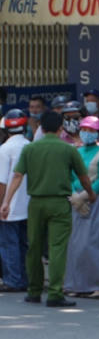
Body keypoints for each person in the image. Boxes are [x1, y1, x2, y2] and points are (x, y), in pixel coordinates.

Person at [0, 110, 94, 307]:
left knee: (33, 247)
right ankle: (54, 293)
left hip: (35, 204)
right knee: (56, 248)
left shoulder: (30, 149)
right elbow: (83, 176)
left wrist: (6, 201)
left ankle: (34, 291)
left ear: (41, 128)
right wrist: (90, 194)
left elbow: (17, 176)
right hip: (59, 203)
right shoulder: (68, 149)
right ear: (61, 128)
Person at [63, 116, 99, 299]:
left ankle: (98, 285)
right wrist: (73, 197)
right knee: (75, 244)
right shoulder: (75, 151)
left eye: (91, 131)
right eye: (84, 130)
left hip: (95, 200)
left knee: (95, 243)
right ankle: (75, 284)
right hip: (75, 202)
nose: (87, 134)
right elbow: (67, 175)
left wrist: (84, 196)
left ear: (98, 133)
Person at [0, 109, 30, 292]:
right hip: (29, 204)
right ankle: (25, 278)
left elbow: (2, 182)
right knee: (24, 244)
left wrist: (1, 203)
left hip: (9, 206)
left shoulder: (4, 150)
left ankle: (13, 280)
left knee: (8, 244)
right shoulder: (30, 145)